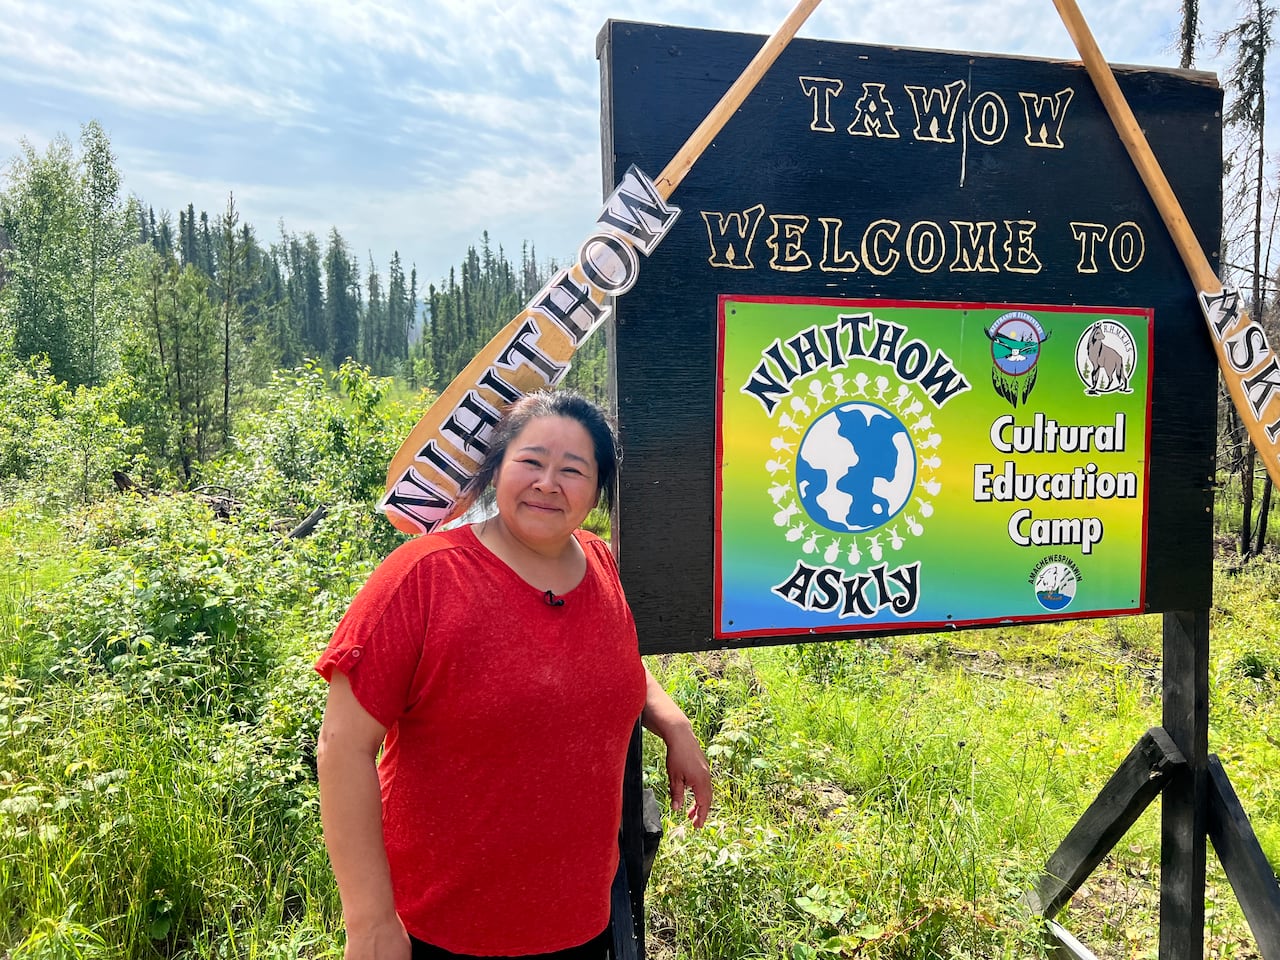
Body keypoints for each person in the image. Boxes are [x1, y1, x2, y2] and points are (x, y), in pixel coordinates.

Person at [315, 389, 712, 960]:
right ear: (496, 468)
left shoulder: (599, 562)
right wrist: (372, 923)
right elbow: (341, 747)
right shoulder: (422, 579)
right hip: (441, 930)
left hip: (579, 920)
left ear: (597, 491)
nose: (548, 483)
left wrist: (672, 722)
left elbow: (609, 664)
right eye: (531, 461)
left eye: (573, 470)